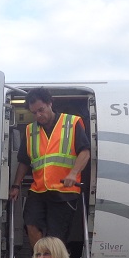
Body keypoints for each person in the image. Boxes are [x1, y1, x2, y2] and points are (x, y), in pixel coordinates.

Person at [8, 87, 91, 248]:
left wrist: (74, 173)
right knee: (30, 224)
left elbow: (85, 152)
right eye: (34, 112)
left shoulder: (71, 123)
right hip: (38, 190)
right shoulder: (30, 130)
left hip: (64, 191)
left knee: (56, 236)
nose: (39, 115)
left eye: (41, 110)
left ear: (50, 104)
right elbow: (24, 161)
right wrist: (16, 185)